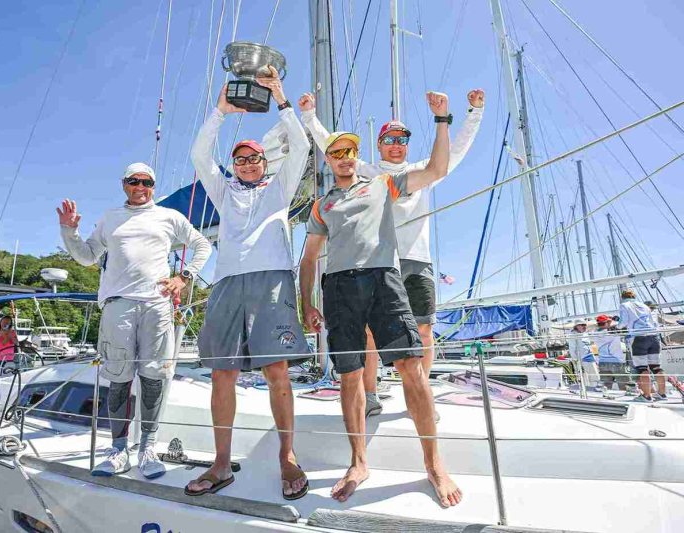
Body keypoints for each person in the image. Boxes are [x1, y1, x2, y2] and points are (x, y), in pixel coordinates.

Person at [299, 91, 462, 508]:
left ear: (358, 156)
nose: (344, 158)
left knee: (411, 367)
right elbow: (309, 258)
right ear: (328, 159)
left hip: (383, 279)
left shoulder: (382, 184)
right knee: (350, 374)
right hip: (339, 287)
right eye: (336, 152)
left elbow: (438, 169)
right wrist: (307, 304)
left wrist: (442, 120)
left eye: (350, 151)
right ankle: (358, 463)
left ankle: (434, 464)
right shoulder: (321, 206)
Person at [300, 89, 484, 417]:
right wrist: (309, 116)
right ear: (379, 144)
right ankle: (370, 395)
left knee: (424, 330)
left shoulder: (423, 171)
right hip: (381, 263)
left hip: (418, 259)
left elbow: (454, 152)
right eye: (389, 140)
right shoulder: (368, 173)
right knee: (370, 333)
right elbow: (332, 145)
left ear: (407, 144)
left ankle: (419, 396)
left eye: (402, 140)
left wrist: (474, 112)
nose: (396, 145)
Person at [185, 67, 312, 500]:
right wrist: (220, 111)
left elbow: (301, 145)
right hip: (226, 284)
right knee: (223, 373)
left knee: (277, 370)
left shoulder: (280, 189)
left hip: (272, 282)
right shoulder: (225, 192)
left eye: (254, 158)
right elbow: (200, 155)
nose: (247, 164)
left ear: (265, 163)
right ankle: (221, 463)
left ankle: (287, 456)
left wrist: (281, 97)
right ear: (234, 165)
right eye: (240, 159)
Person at [58, 161, 211, 478]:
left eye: (147, 182)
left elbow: (201, 244)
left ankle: (148, 448)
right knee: (119, 376)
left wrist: (184, 277)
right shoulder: (110, 218)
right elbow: (86, 256)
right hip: (118, 304)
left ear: (153, 187)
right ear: (124, 184)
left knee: (154, 376)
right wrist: (69, 231)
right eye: (134, 181)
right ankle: (118, 450)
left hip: (157, 304)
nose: (140, 187)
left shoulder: (169, 217)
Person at [620, 290, 666, 401]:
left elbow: (623, 323)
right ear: (634, 296)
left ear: (622, 297)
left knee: (642, 368)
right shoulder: (644, 306)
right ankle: (662, 394)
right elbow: (652, 322)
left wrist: (617, 326)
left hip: (639, 337)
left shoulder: (624, 305)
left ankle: (646, 396)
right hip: (654, 337)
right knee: (656, 367)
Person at [593, 315, 630, 391]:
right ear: (607, 322)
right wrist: (614, 320)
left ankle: (606, 397)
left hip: (602, 361)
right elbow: (622, 324)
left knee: (606, 386)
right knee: (624, 385)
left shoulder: (594, 333)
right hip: (616, 361)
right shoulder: (611, 331)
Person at [567, 320, 599, 388]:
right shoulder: (573, 335)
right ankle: (588, 389)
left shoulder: (585, 334)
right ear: (577, 326)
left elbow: (590, 345)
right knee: (585, 377)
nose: (584, 326)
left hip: (590, 357)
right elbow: (572, 349)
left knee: (595, 376)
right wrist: (576, 360)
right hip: (582, 359)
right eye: (582, 325)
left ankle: (595, 388)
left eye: (585, 325)